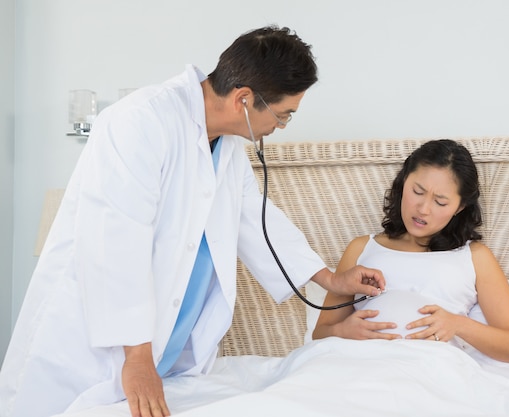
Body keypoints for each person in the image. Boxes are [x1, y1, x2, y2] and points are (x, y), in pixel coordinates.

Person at [0, 26, 385, 417]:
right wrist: (136, 360)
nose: (280, 127)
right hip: (89, 351)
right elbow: (115, 244)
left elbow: (258, 220)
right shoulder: (140, 121)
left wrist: (330, 280)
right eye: (283, 115)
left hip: (166, 354)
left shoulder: (227, 147)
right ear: (243, 99)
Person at [312, 139, 509, 365]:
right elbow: (319, 334)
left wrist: (458, 324)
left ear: (460, 208)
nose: (423, 209)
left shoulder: (475, 257)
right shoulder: (361, 248)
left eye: (440, 202)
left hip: (431, 370)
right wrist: (342, 331)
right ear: (403, 182)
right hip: (361, 365)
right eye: (417, 191)